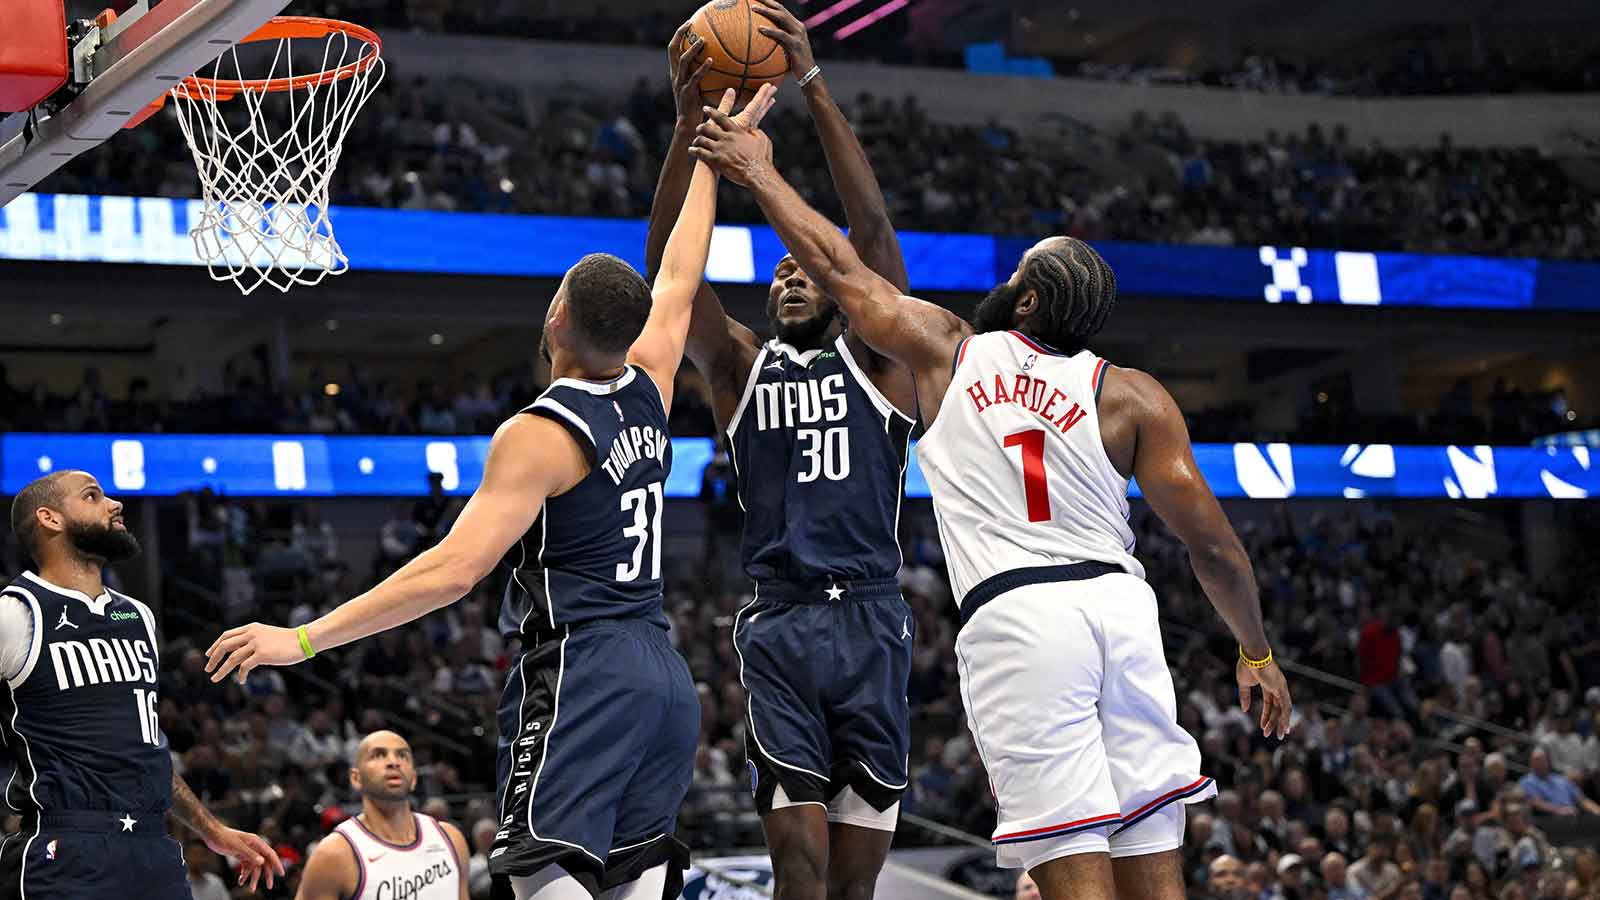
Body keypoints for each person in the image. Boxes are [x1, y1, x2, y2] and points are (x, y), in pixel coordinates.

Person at [689, 103, 1292, 900]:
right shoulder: (1132, 395)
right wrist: (1254, 651)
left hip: (1024, 620)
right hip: (1121, 607)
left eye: (1017, 274)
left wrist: (760, 170)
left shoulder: (950, 349)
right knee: (1153, 861)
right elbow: (1214, 550)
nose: (1002, 283)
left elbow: (844, 267)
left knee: (1070, 865)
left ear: (1032, 302)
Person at [205, 85, 777, 900]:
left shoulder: (539, 431)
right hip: (665, 676)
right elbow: (682, 270)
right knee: (631, 878)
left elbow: (450, 574)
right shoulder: (650, 379)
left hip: (586, 668)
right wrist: (716, 158)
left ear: (555, 317)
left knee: (539, 875)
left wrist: (300, 642)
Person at [645, 6, 917, 898]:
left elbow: (870, 234)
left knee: (854, 885)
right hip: (783, 623)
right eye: (776, 274)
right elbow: (670, 280)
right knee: (796, 869)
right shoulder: (742, 369)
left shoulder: (881, 361)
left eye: (804, 270)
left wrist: (813, 87)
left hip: (873, 621)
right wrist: (690, 130)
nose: (790, 275)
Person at [2, 471, 283, 899]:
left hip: (154, 848)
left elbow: (147, 748)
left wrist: (212, 831)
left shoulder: (137, 616)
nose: (115, 504)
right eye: (93, 496)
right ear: (50, 519)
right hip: (66, 848)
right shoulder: (16, 612)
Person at [296, 730, 470, 900]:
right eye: (378, 755)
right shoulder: (333, 854)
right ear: (356, 778)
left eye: (403, 756)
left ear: (414, 779)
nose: (393, 762)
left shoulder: (451, 840)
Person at [1517, 748, 1600, 818]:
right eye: (1536, 761)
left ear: (1548, 762)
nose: (1539, 764)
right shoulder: (1527, 781)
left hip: (1572, 816)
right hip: (1549, 819)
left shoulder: (1561, 779)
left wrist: (1596, 810)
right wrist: (1559, 810)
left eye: (1542, 761)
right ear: (1531, 764)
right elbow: (1536, 803)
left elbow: (1582, 799)